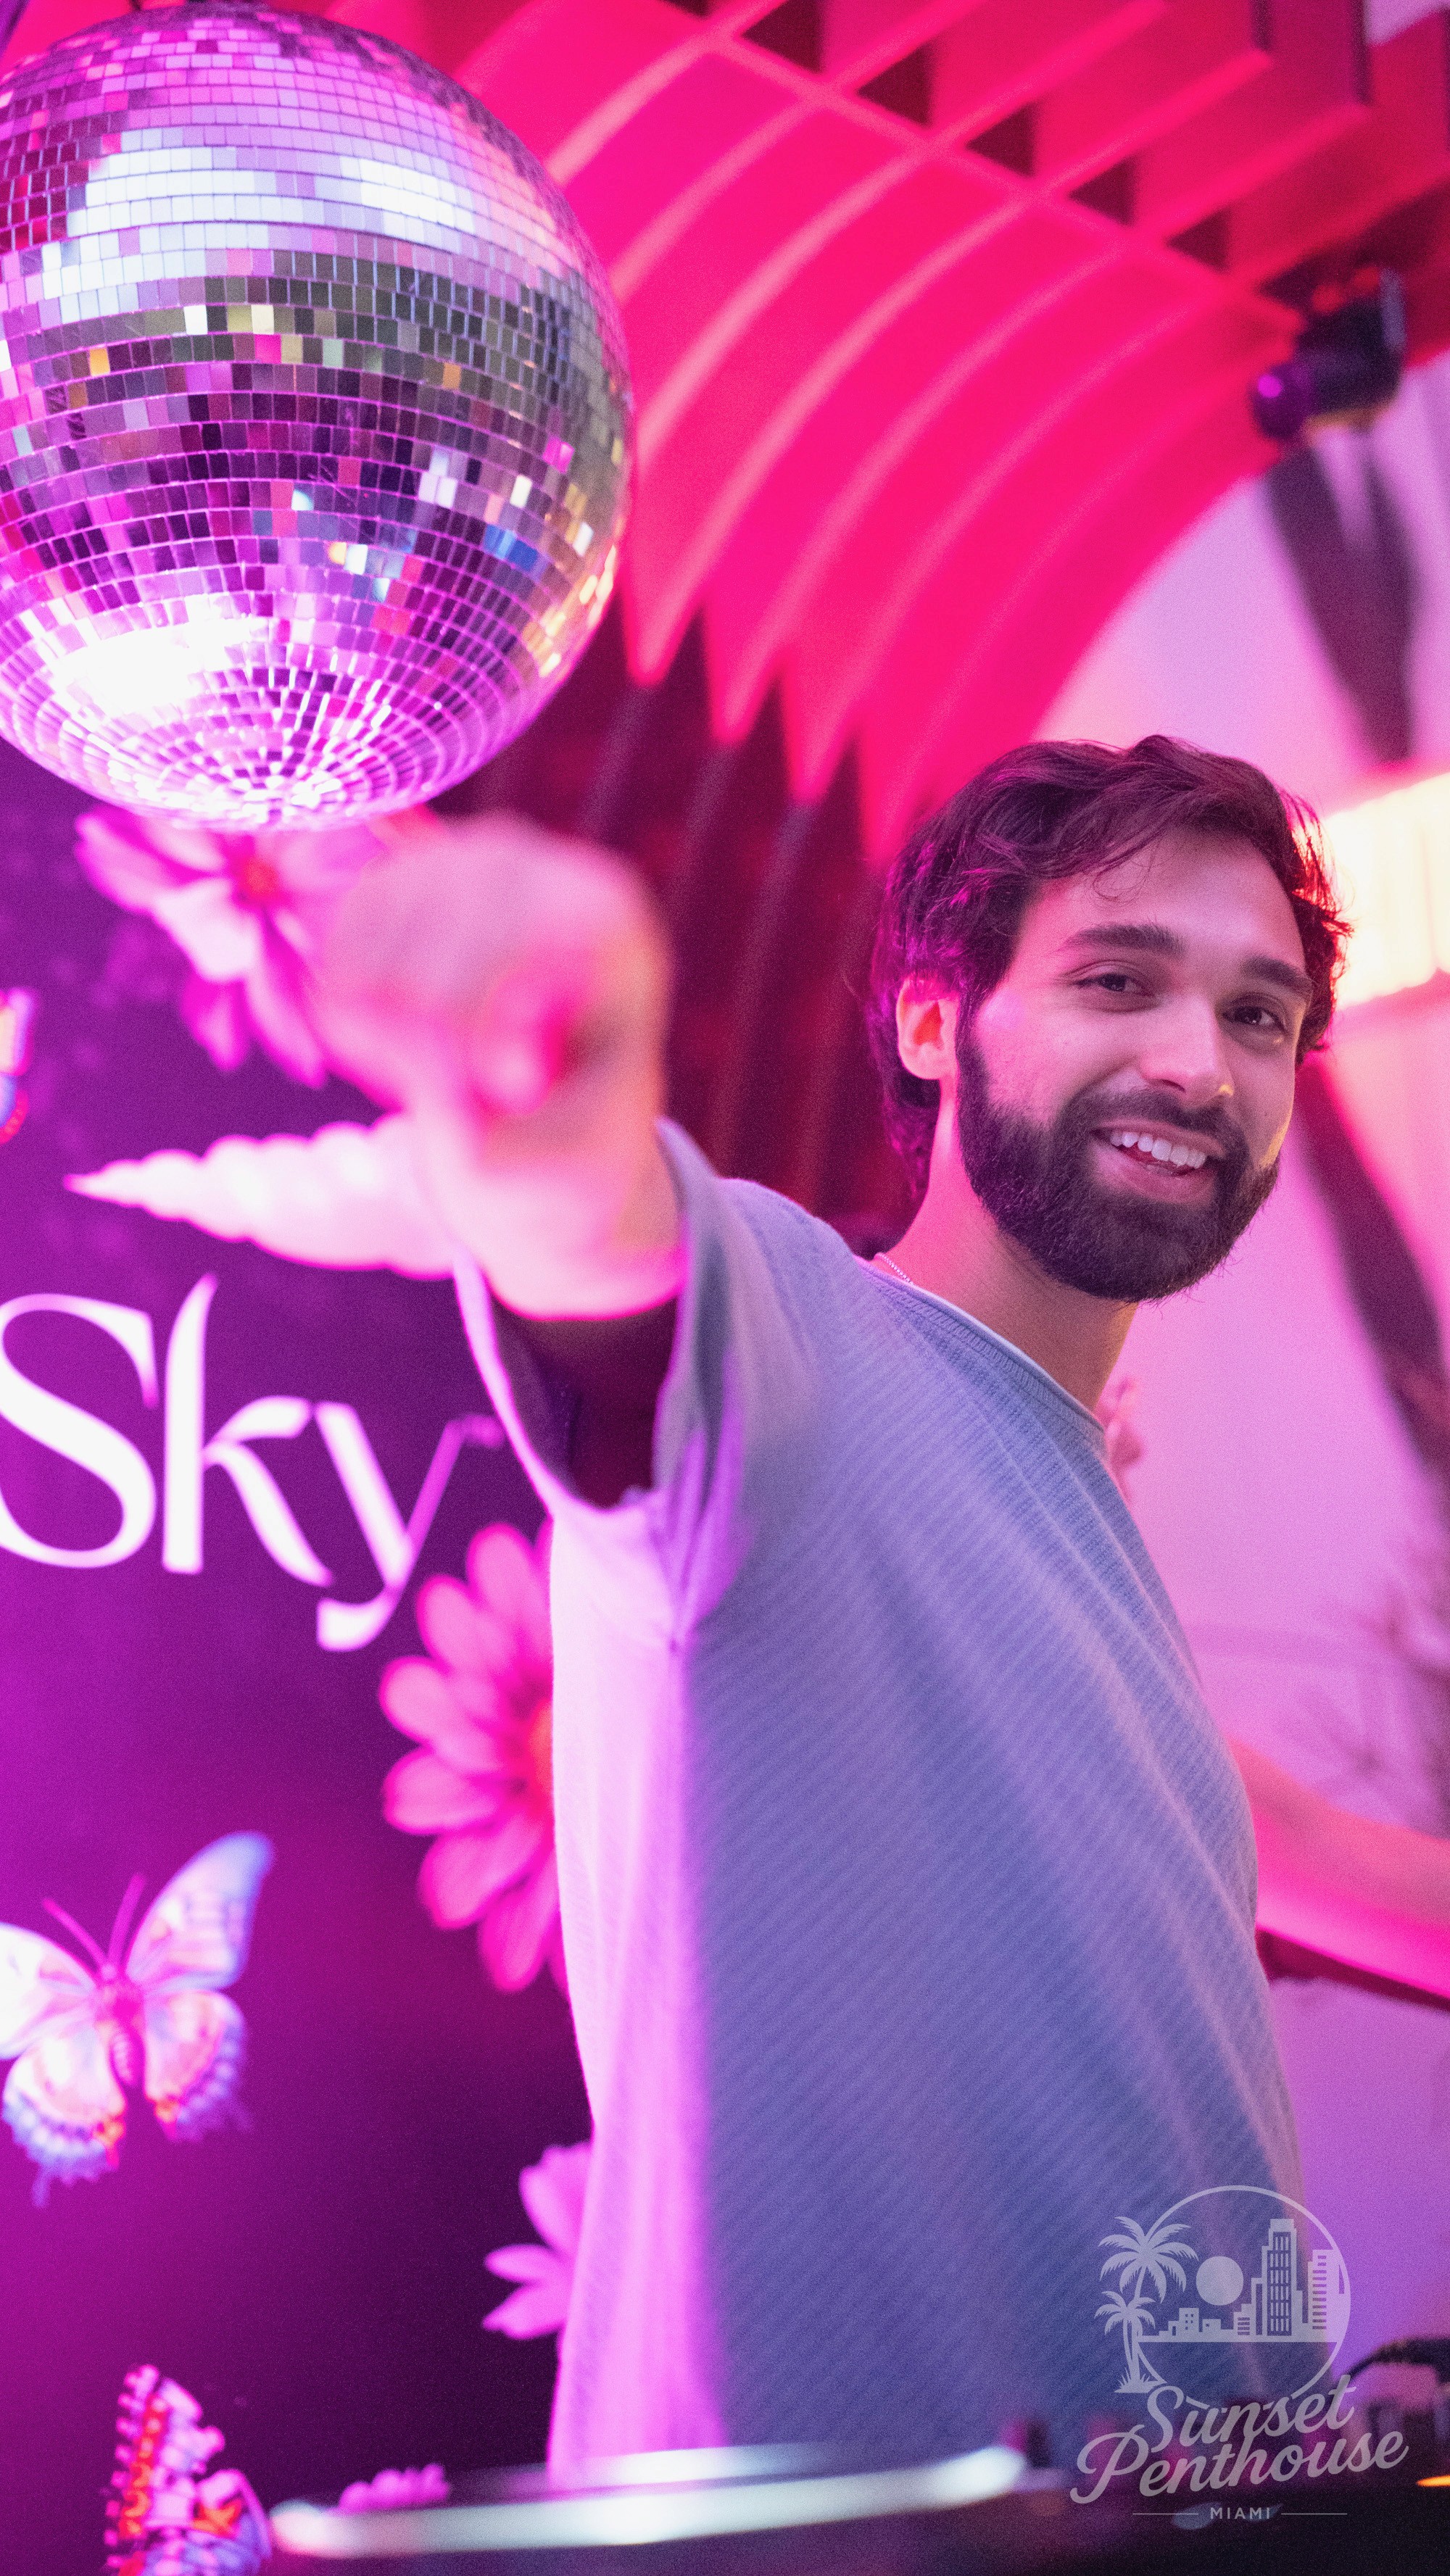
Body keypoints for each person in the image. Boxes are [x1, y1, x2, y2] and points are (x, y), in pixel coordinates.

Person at [316, 736, 1385, 2468]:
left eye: (1257, 1015)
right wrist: (541, 1090)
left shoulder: (1079, 1513)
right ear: (931, 1021)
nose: (1198, 1063)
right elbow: (599, 1246)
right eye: (1118, 981)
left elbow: (1309, 1856)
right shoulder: (792, 1336)